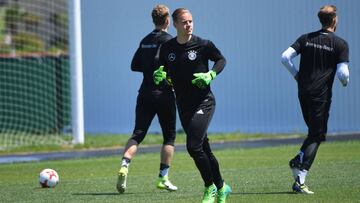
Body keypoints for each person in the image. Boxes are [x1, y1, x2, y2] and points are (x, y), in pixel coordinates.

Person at [153, 8, 231, 203]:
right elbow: (163, 73)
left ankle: (209, 188)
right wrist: (160, 78)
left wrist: (211, 74)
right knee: (204, 148)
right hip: (184, 105)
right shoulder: (167, 49)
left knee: (193, 146)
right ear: (175, 24)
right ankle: (222, 187)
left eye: (191, 21)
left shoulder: (203, 45)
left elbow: (221, 60)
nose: (189, 25)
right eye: (185, 22)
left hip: (204, 102)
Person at [281, 5, 349, 194]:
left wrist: (297, 75)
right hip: (321, 95)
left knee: (314, 133)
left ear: (320, 20)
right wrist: (345, 82)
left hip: (303, 91)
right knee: (317, 134)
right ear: (334, 19)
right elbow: (343, 74)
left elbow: (285, 57)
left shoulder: (306, 38)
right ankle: (299, 173)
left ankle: (298, 167)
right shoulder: (340, 44)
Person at [116, 4, 177, 194]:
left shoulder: (144, 41)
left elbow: (134, 65)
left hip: (145, 93)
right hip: (165, 94)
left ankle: (125, 164)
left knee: (138, 134)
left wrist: (149, 67)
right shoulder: (170, 41)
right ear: (168, 20)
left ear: (153, 20)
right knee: (169, 137)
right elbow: (176, 67)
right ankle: (163, 178)